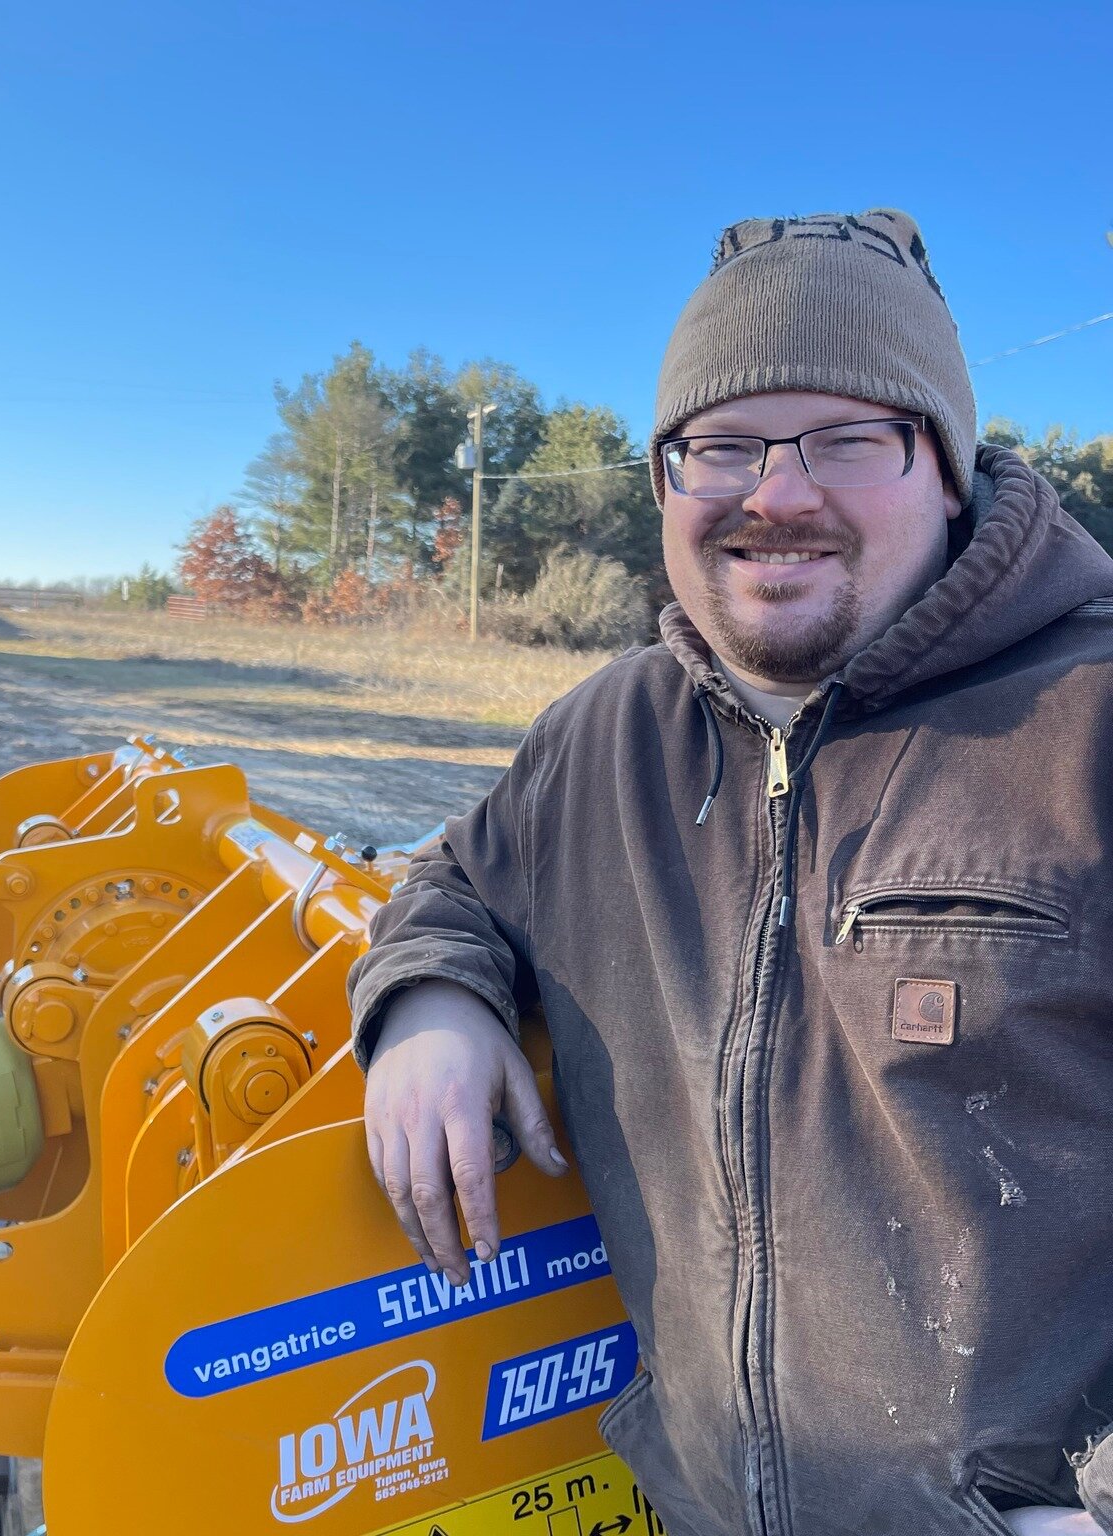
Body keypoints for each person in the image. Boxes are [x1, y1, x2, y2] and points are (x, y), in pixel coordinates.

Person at [348, 210, 1113, 1536]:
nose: (779, 492)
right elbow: (455, 883)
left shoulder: (1086, 723)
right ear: (665, 481)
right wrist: (428, 1006)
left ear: (944, 466)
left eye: (850, 438)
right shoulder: (605, 738)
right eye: (724, 446)